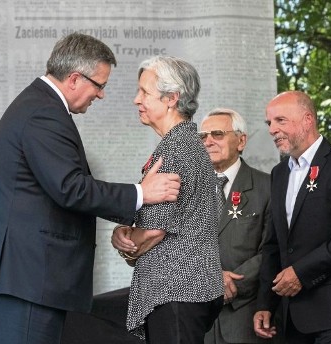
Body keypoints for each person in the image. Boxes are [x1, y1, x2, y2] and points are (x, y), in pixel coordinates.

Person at [0, 34, 181, 344]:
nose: (102, 94)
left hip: (28, 276)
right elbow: (70, 188)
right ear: (74, 79)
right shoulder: (43, 112)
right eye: (99, 85)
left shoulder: (40, 105)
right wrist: (140, 194)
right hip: (29, 277)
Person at [110, 56, 224, 343]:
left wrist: (123, 243)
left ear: (172, 98)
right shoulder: (189, 144)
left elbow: (153, 231)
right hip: (191, 289)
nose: (137, 99)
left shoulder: (174, 149)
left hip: (175, 291)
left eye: (144, 92)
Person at [253, 91, 331, 343]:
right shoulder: (279, 174)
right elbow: (274, 243)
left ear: (308, 120)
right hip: (291, 317)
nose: (272, 129)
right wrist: (265, 302)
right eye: (269, 123)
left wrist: (301, 272)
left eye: (280, 121)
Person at [198, 108, 280, 344]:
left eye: (217, 134)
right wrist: (212, 278)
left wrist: (232, 282)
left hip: (244, 317)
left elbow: (272, 249)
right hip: (196, 320)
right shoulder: (186, 190)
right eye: (203, 136)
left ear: (241, 140)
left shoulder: (268, 186)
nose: (208, 141)